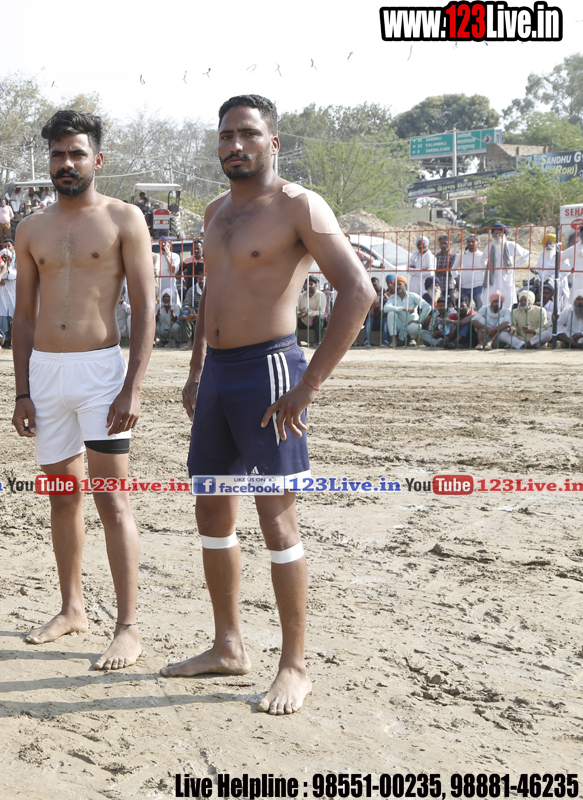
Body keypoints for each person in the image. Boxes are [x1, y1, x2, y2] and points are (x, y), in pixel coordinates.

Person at [163, 95, 373, 715]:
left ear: (272, 143)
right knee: (211, 511)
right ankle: (228, 646)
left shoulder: (298, 205)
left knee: (276, 519)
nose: (236, 145)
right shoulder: (215, 211)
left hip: (271, 371)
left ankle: (294, 666)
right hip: (218, 376)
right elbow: (212, 291)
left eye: (249, 134)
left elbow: (358, 290)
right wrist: (196, 368)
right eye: (227, 135)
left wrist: (308, 386)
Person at [11, 109, 156, 671]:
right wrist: (22, 391)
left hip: (101, 373)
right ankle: (72, 608)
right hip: (46, 373)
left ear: (98, 158)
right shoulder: (31, 229)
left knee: (112, 499)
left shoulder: (124, 219)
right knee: (62, 494)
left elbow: (144, 307)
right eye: (57, 155)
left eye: (76, 153)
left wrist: (133, 387)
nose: (66, 163)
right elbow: (24, 316)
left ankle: (128, 627)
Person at [482, 223, 528, 309]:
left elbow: (527, 254)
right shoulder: (489, 247)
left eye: (499, 233)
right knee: (490, 300)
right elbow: (482, 260)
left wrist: (514, 265)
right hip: (492, 279)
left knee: (507, 301)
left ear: (504, 234)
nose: (497, 235)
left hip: (506, 278)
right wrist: (488, 269)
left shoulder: (511, 245)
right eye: (495, 233)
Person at [382, 276, 430, 347]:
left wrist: (419, 320)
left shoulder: (413, 296)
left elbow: (427, 307)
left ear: (405, 285)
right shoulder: (392, 297)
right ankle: (393, 340)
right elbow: (385, 308)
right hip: (399, 324)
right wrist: (403, 308)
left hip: (411, 323)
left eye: (400, 284)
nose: (398, 286)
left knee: (414, 326)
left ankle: (412, 339)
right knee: (391, 313)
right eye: (395, 285)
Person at [458, 234, 487, 313]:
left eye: (473, 241)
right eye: (469, 242)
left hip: (478, 286)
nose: (470, 243)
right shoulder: (462, 255)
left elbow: (486, 270)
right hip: (464, 286)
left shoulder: (482, 255)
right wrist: (456, 278)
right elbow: (453, 269)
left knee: (480, 309)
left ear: (478, 243)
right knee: (464, 310)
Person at [0, 241, 18, 345]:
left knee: (12, 314)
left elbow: (12, 276)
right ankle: (4, 340)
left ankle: (12, 339)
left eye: (7, 257)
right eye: (3, 257)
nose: (5, 259)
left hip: (12, 295)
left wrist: (8, 267)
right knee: (2, 314)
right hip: (1, 296)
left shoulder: (14, 266)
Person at [296, 275, 327, 346]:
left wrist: (308, 313)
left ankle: (316, 340)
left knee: (319, 317)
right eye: (307, 284)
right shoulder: (301, 296)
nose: (309, 286)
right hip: (304, 320)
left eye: (311, 284)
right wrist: (299, 314)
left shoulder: (321, 295)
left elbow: (321, 311)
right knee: (292, 318)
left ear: (316, 285)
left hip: (316, 321)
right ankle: (296, 341)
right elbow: (297, 309)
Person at [555, 284, 583, 348]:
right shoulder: (568, 311)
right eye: (578, 299)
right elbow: (558, 323)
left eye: (582, 299)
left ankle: (570, 345)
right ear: (575, 300)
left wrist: (581, 334)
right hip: (570, 336)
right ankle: (576, 345)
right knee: (557, 330)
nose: (580, 302)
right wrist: (554, 319)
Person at [156, 238, 180, 304]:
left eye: (165, 242)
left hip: (171, 286)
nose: (163, 244)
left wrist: (166, 256)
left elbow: (173, 270)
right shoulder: (157, 256)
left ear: (170, 244)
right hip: (160, 287)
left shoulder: (175, 256)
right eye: (161, 243)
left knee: (174, 305)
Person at [361, 276, 382, 347]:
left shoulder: (383, 295)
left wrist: (380, 304)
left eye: (375, 285)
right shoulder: (366, 295)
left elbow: (384, 313)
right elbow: (371, 314)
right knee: (369, 319)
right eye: (372, 285)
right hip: (371, 320)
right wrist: (373, 305)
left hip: (382, 321)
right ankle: (366, 341)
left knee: (386, 319)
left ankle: (386, 341)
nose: (374, 287)